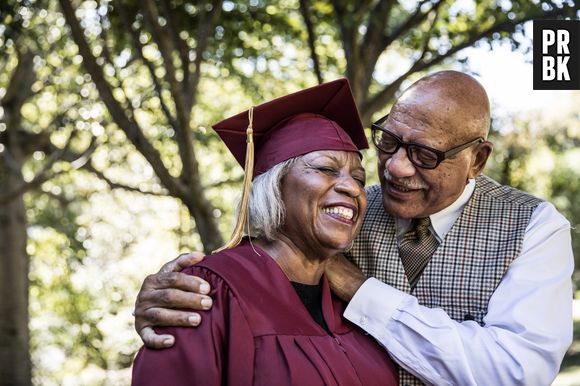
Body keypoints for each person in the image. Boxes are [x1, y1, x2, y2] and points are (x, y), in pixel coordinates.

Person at [134, 71, 574, 386]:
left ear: (476, 160)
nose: (396, 169)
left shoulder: (533, 228)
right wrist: (172, 293)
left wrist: (361, 290)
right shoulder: (329, 223)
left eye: (425, 155)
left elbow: (519, 372)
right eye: (388, 142)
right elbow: (258, 262)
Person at [131, 79, 399, 385]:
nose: (353, 187)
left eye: (360, 179)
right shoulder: (204, 293)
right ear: (275, 186)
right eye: (326, 169)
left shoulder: (354, 305)